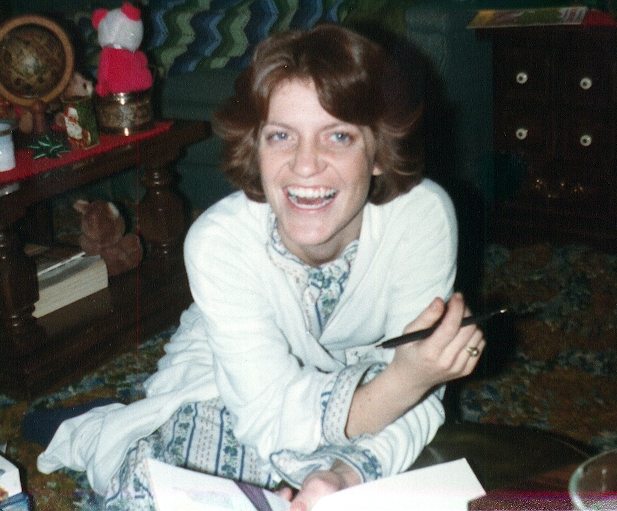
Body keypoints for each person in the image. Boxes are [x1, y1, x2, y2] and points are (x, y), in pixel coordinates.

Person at [36, 24, 485, 511]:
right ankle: (100, 426)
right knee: (169, 489)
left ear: (379, 152)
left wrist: (344, 473)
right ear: (256, 147)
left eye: (338, 136)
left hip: (366, 379)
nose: (305, 165)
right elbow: (271, 417)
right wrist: (405, 381)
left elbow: (421, 390)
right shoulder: (219, 241)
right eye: (281, 136)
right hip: (230, 375)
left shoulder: (421, 218)